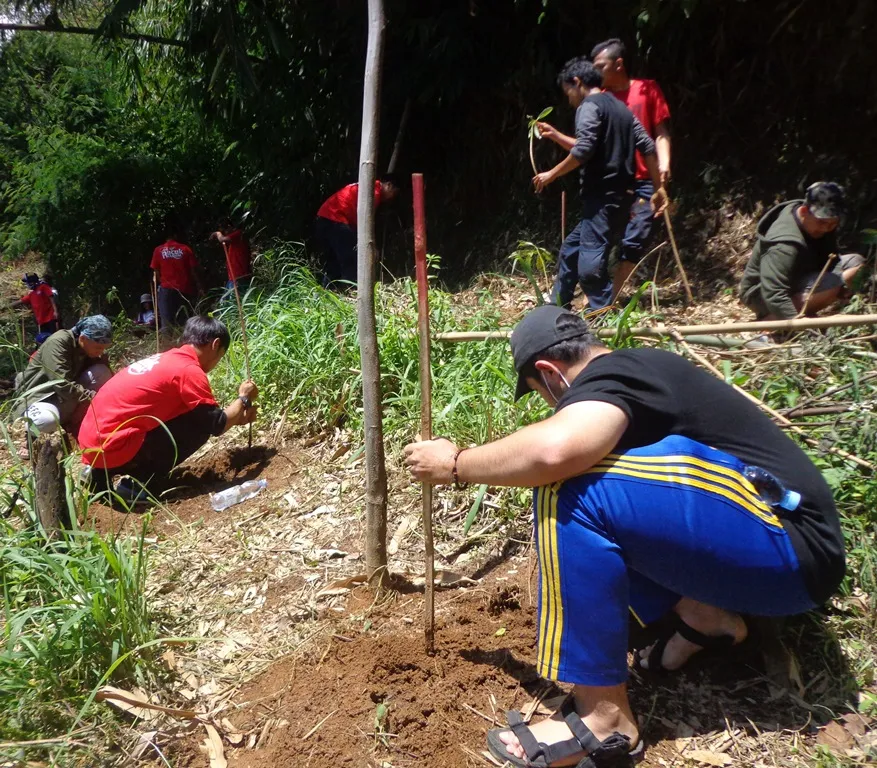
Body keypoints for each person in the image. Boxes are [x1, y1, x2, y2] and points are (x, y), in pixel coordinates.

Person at [404, 305, 843, 768]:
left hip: (789, 548)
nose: (552, 405)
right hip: (785, 557)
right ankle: (707, 619)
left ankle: (605, 719)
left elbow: (554, 452)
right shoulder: (639, 377)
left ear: (550, 372)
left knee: (567, 486)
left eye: (540, 393)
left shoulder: (618, 373)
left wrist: (456, 464)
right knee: (604, 482)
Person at [533, 58, 668, 311]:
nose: (569, 99)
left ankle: (603, 314)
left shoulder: (589, 106)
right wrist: (658, 186)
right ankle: (556, 308)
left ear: (577, 82)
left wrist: (551, 174)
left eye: (568, 92)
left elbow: (584, 149)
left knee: (590, 269)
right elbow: (648, 146)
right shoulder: (622, 109)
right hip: (623, 197)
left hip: (602, 198)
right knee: (571, 250)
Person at [78, 316, 258, 503]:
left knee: (189, 414)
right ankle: (139, 484)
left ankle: (97, 472)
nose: (216, 363)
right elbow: (215, 424)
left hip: (92, 442)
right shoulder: (188, 369)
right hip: (112, 445)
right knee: (199, 427)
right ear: (215, 344)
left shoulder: (166, 358)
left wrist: (237, 417)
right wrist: (244, 398)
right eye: (220, 356)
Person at [591, 39, 672, 299]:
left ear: (619, 64)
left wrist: (664, 162)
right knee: (600, 239)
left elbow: (660, 131)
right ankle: (595, 297)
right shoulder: (599, 101)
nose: (596, 72)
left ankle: (611, 298)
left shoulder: (647, 89)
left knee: (635, 239)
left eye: (600, 66)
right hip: (613, 180)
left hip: (647, 179)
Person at [740, 181, 864, 320]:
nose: (826, 228)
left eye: (833, 223)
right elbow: (774, 293)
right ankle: (772, 319)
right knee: (833, 283)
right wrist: (799, 325)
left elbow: (831, 259)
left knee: (855, 263)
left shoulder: (821, 220)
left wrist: (842, 287)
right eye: (822, 222)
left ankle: (807, 306)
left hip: (800, 275)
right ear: (804, 211)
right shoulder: (784, 245)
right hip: (760, 294)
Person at [13, 315, 114, 435]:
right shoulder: (58, 343)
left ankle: (73, 423)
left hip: (64, 399)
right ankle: (35, 431)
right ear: (82, 338)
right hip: (39, 399)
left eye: (103, 348)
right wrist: (97, 399)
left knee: (102, 372)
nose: (101, 352)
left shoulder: (85, 347)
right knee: (44, 421)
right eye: (98, 347)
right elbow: (62, 383)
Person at [314, 176, 400, 288]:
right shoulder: (373, 193)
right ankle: (351, 290)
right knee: (350, 258)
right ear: (389, 185)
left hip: (324, 217)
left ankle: (328, 290)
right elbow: (366, 222)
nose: (392, 198)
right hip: (336, 219)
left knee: (333, 260)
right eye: (394, 193)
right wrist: (373, 247)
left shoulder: (368, 185)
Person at [151, 229, 201, 330]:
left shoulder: (158, 250)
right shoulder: (185, 249)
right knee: (184, 322)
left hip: (166, 289)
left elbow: (156, 272)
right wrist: (199, 286)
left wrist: (163, 282)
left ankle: (168, 340)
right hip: (185, 289)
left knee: (167, 323)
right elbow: (193, 271)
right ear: (176, 236)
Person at [211, 219, 253, 296]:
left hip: (239, 276)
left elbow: (222, 239)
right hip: (233, 277)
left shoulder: (238, 234)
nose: (224, 234)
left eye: (224, 231)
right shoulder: (233, 241)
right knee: (224, 301)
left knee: (235, 300)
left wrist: (217, 233)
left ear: (229, 227)